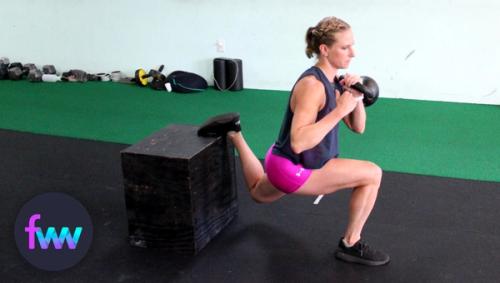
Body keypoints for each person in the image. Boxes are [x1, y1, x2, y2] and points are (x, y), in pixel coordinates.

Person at [197, 16, 390, 266]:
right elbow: (299, 141)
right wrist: (339, 111)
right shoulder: (313, 86)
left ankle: (234, 132)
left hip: (280, 161)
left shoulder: (334, 81)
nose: (353, 52)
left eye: (353, 45)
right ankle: (350, 244)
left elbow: (358, 127)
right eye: (345, 47)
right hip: (297, 167)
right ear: (324, 49)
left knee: (258, 192)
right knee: (372, 174)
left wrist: (355, 97)